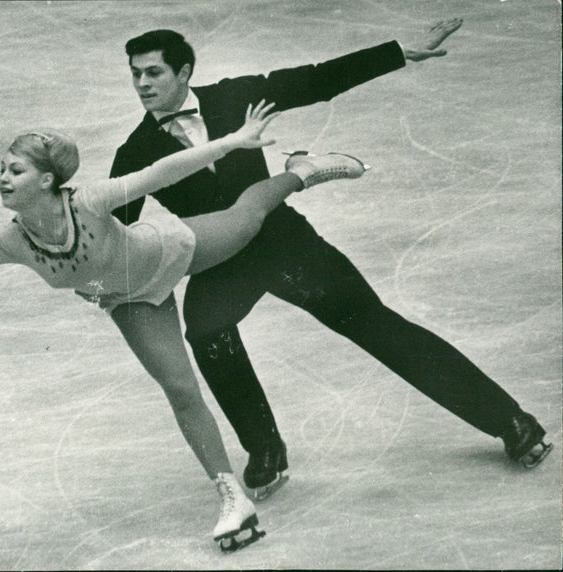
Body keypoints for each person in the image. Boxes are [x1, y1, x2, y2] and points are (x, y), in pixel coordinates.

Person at [0, 102, 369, 551]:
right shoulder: (12, 241)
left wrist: (233, 141)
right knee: (181, 389)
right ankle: (231, 497)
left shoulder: (89, 203)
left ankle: (301, 170)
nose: (2, 178)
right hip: (128, 299)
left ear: (46, 181)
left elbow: (160, 173)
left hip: (171, 250)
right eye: (1, 169)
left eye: (15, 171)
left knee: (249, 215)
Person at [108, 23, 553, 500]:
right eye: (135, 75)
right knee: (207, 332)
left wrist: (397, 52)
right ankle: (265, 450)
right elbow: (113, 235)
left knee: (374, 324)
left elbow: (316, 80)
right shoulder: (135, 153)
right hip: (221, 261)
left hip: (283, 241)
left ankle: (511, 421)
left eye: (153, 72)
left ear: (184, 72)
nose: (142, 85)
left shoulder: (234, 97)